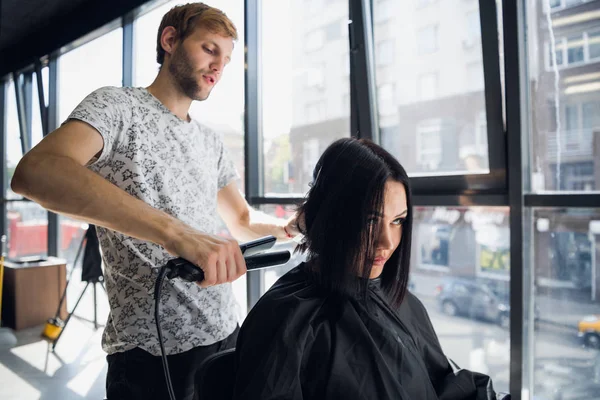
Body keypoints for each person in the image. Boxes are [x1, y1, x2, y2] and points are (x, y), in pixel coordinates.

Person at [11, 3, 299, 400]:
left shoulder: (211, 140)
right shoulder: (117, 107)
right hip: (150, 353)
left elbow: (243, 218)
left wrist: (288, 228)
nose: (219, 66)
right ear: (170, 40)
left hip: (225, 331)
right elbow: (36, 172)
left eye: (226, 60)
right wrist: (177, 234)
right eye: (210, 49)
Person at [232, 138, 508, 400]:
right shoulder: (287, 319)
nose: (387, 242)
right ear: (331, 217)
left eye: (398, 221)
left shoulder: (396, 299)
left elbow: (444, 384)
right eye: (369, 221)